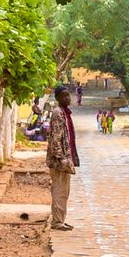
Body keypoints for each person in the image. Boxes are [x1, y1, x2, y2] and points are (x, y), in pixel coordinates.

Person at [46, 86, 79, 232]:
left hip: (66, 159)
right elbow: (55, 138)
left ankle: (61, 220)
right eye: (63, 96)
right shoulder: (58, 113)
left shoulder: (65, 113)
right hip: (59, 161)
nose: (67, 98)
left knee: (64, 191)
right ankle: (57, 222)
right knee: (59, 190)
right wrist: (60, 158)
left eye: (68, 95)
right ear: (57, 98)